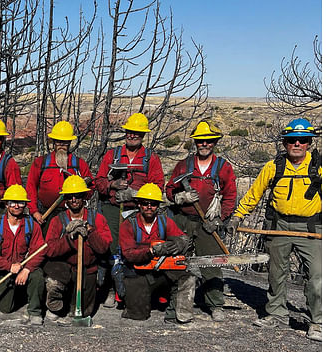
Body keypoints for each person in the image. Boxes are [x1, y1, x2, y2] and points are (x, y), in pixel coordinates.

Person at [226, 118, 322, 342]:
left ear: (309, 142)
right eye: (291, 140)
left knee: (318, 276)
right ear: (285, 142)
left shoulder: (320, 168)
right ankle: (276, 314)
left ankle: (318, 321)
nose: (296, 144)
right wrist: (238, 216)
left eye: (302, 140)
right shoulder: (273, 167)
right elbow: (254, 194)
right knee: (276, 273)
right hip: (279, 226)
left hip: (311, 228)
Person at [165, 120, 236, 321]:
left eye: (208, 141)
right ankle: (175, 304)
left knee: (211, 263)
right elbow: (170, 190)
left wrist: (220, 219)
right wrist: (179, 197)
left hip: (208, 223)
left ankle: (215, 304)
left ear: (214, 142)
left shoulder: (223, 167)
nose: (204, 144)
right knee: (178, 261)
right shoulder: (184, 165)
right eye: (200, 141)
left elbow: (230, 196)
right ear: (195, 143)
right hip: (183, 219)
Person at [94, 112, 165, 308]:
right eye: (129, 132)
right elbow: (98, 182)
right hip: (112, 209)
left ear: (143, 135)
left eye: (137, 133)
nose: (132, 135)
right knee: (110, 249)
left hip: (138, 212)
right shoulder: (113, 154)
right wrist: (112, 184)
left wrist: (135, 194)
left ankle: (131, 290)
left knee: (134, 250)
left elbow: (158, 187)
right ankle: (109, 289)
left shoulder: (151, 159)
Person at [118, 183, 193, 322]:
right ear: (139, 204)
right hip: (137, 272)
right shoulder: (128, 225)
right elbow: (128, 254)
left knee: (187, 276)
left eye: (153, 204)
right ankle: (132, 304)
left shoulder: (165, 222)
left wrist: (180, 243)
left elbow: (184, 238)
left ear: (158, 206)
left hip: (161, 270)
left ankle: (178, 315)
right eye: (145, 203)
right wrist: (151, 251)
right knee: (138, 315)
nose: (149, 207)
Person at [43, 176, 112, 320]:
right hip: (64, 269)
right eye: (70, 196)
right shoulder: (58, 221)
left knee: (82, 313)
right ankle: (55, 304)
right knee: (54, 280)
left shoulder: (97, 219)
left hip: (88, 269)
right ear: (65, 199)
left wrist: (90, 231)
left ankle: (71, 305)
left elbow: (104, 248)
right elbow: (49, 249)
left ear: (84, 196)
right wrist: (69, 239)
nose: (74, 199)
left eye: (78, 195)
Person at [0, 185, 47, 325]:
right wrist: (9, 266)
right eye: (12, 202)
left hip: (24, 268)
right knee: (5, 308)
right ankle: (21, 294)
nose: (17, 206)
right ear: (6, 204)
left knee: (37, 276)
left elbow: (40, 250)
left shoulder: (32, 225)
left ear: (25, 204)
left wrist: (27, 269)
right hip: (4, 271)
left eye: (21, 203)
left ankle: (35, 311)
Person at [26, 121, 93, 230]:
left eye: (65, 142)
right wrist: (34, 212)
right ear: (53, 142)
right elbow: (30, 188)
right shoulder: (40, 163)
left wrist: (79, 199)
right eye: (58, 142)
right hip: (45, 215)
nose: (61, 145)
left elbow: (91, 188)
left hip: (72, 215)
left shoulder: (79, 164)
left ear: (70, 142)